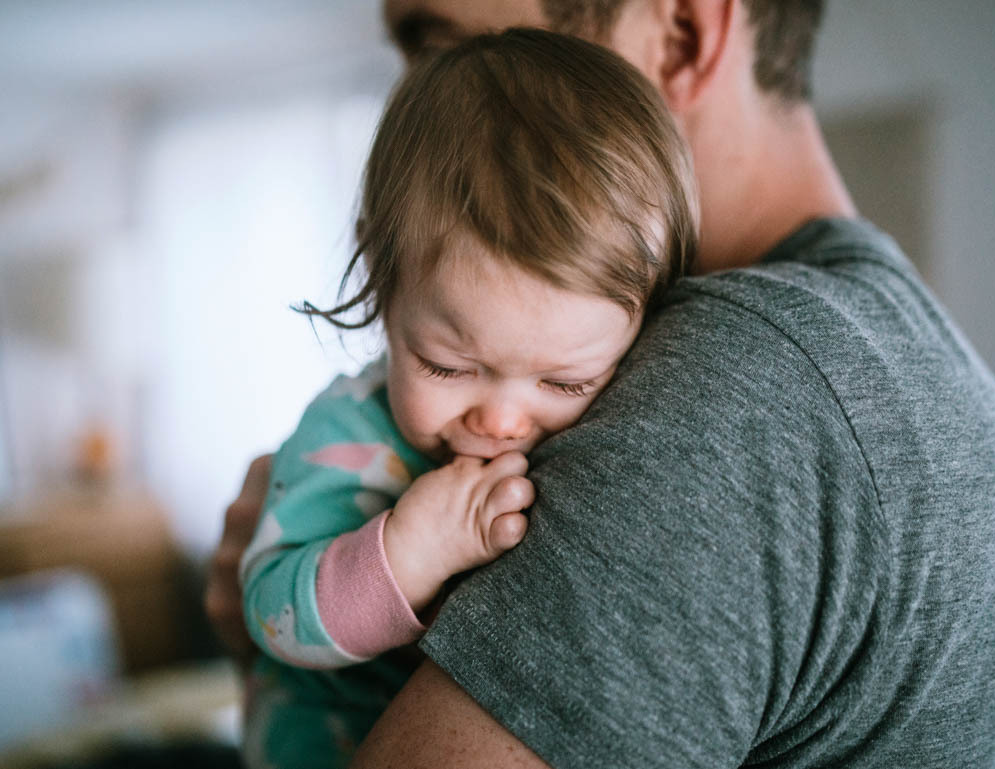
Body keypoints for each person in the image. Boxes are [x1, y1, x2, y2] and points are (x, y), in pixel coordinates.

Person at [205, 1, 995, 766]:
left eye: (450, 56)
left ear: (678, 38)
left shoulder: (746, 383)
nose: (418, 123)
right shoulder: (930, 363)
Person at [236, 29, 699, 769]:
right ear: (383, 287)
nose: (505, 419)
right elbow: (267, 611)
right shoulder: (347, 432)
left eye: (565, 382)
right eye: (449, 366)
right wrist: (410, 549)